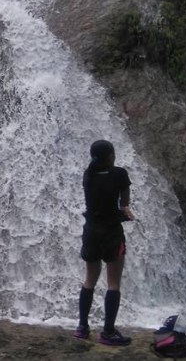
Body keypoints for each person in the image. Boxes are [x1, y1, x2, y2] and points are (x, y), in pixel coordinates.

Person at [74, 140, 134, 346]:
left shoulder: (87, 175)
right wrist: (125, 209)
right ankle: (108, 332)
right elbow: (124, 204)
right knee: (113, 283)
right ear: (110, 156)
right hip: (111, 233)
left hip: (91, 232)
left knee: (89, 279)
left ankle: (82, 327)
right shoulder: (119, 174)